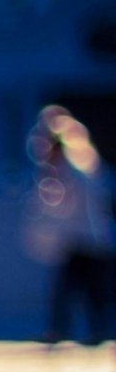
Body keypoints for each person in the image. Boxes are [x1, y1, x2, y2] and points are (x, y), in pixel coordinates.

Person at [24, 105, 115, 345]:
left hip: (83, 238)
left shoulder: (70, 169)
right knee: (83, 289)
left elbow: (63, 206)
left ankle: (67, 330)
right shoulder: (85, 161)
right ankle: (82, 330)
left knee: (75, 288)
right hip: (89, 237)